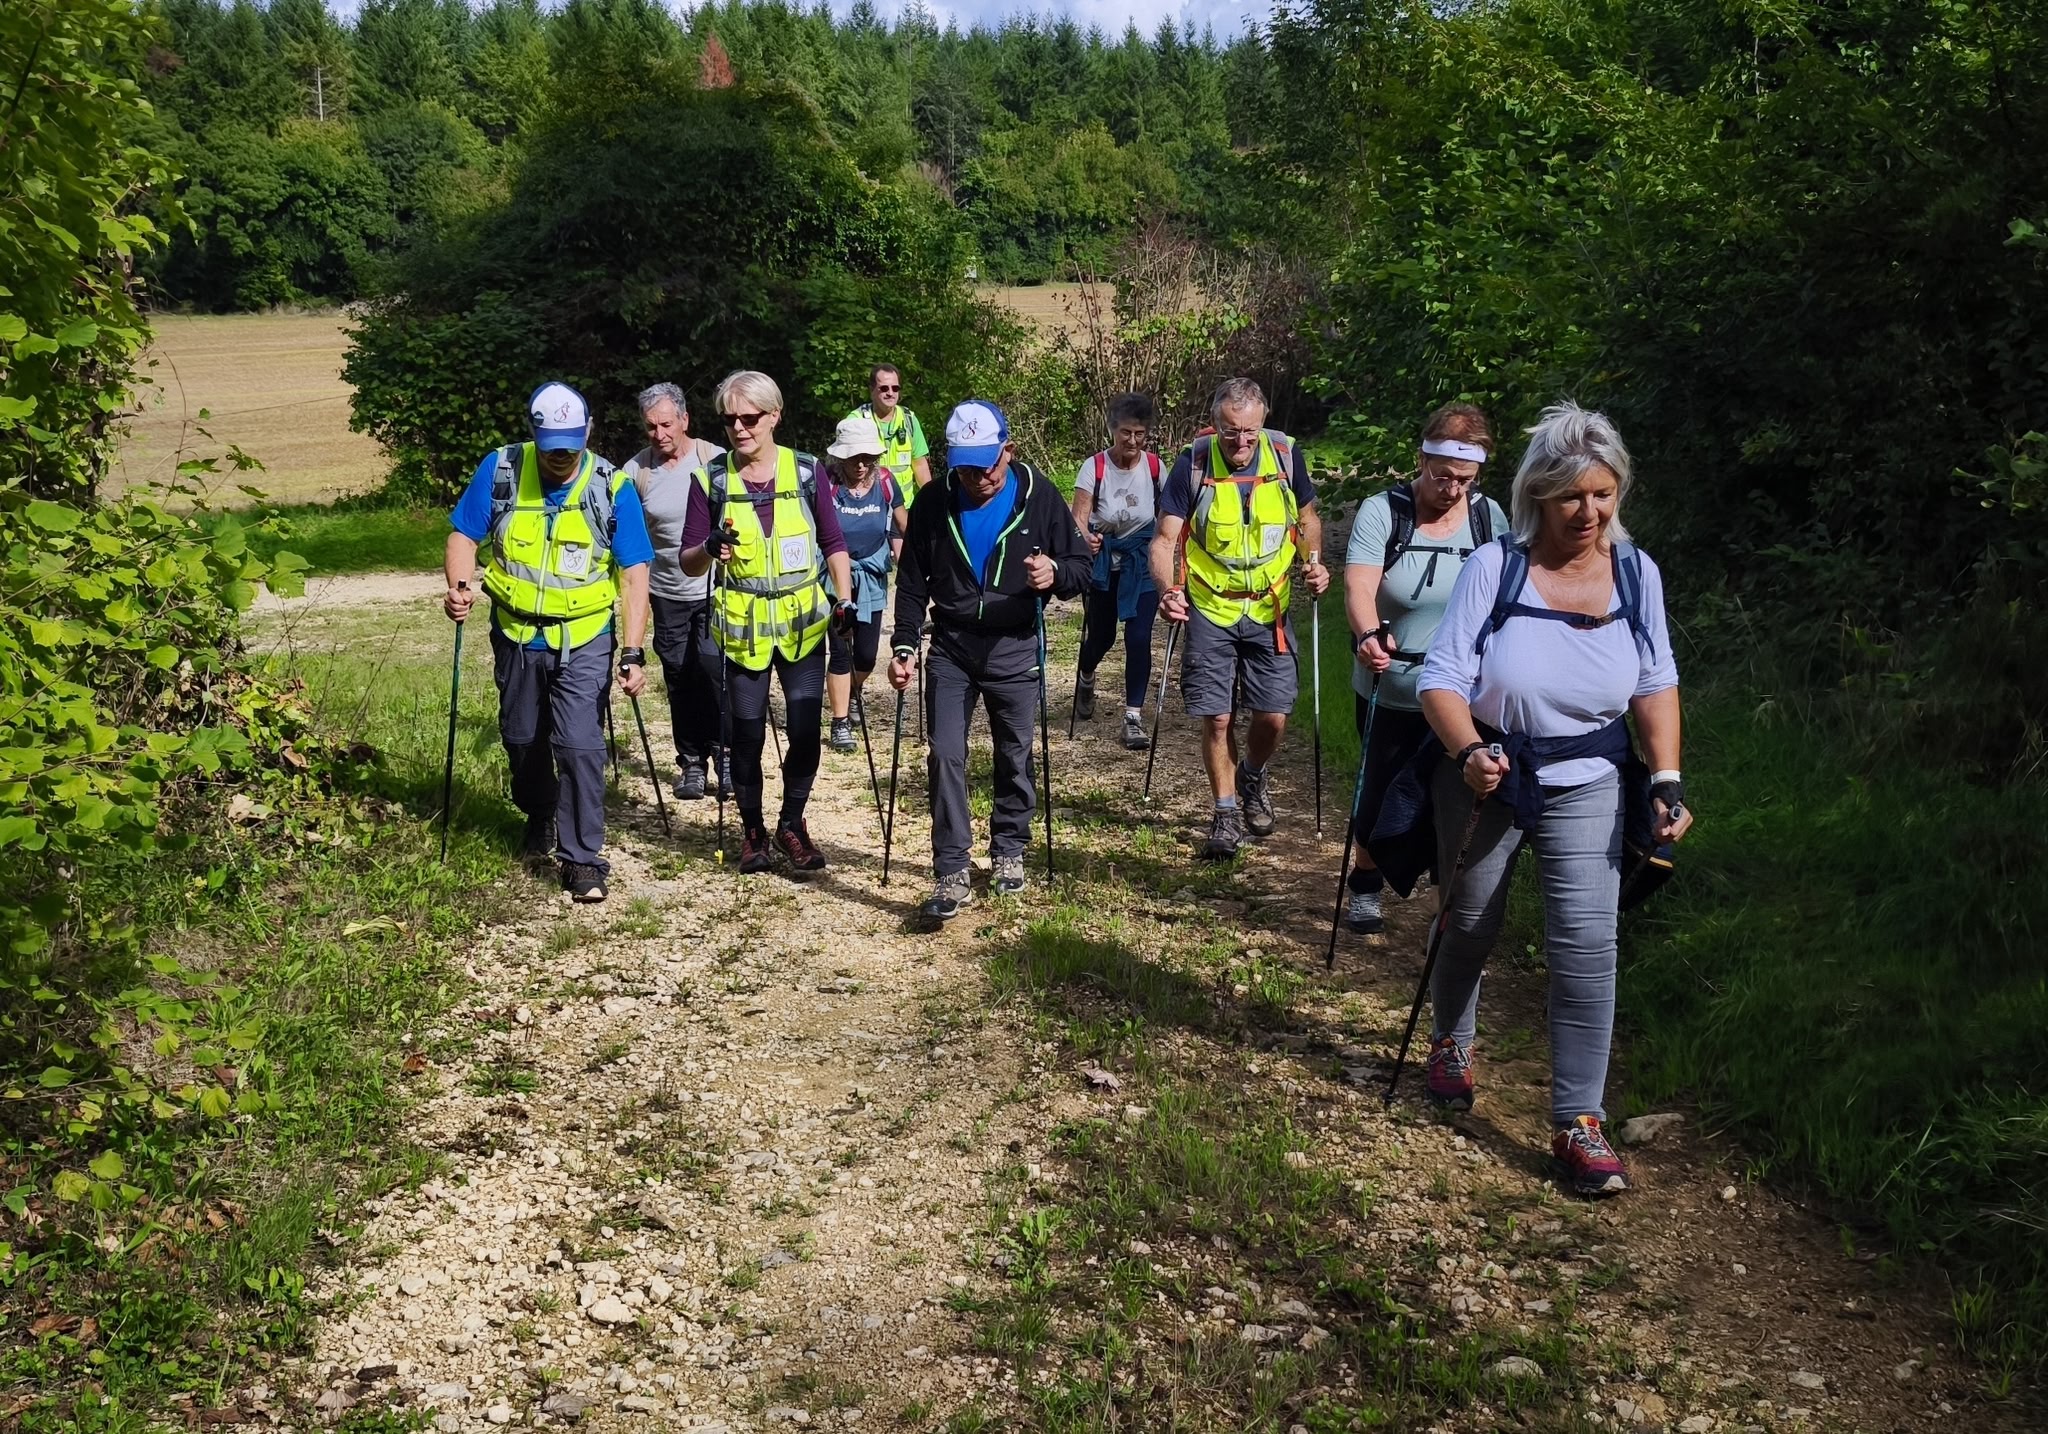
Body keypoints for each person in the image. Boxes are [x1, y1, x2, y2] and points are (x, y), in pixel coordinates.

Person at [1414, 400, 1692, 1197]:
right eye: (1572, 495)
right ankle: (1452, 1039)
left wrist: (1665, 777)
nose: (1589, 511)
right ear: (1538, 493)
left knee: (1586, 946)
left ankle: (1579, 1121)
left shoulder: (1636, 573)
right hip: (1492, 770)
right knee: (1471, 920)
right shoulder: (1495, 567)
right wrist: (1469, 751)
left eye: (1603, 494)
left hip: (1592, 776)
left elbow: (1655, 680)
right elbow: (1442, 678)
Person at [442, 381, 653, 904]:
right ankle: (540, 812)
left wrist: (632, 651)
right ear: (533, 434)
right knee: (521, 738)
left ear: (588, 432)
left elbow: (634, 574)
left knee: (579, 744)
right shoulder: (502, 470)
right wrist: (459, 586)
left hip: (584, 637)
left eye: (570, 446)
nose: (560, 457)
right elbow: (464, 535)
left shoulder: (612, 487)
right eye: (551, 446)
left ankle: (583, 858)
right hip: (516, 634)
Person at [888, 400, 1091, 920]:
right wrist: (904, 645)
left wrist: (1054, 574)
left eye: (985, 466)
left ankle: (1009, 849)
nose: (977, 479)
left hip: (1015, 645)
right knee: (945, 753)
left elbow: (1080, 568)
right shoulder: (933, 501)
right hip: (951, 646)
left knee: (1014, 752)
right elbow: (911, 583)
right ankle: (952, 867)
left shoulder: (1038, 495)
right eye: (965, 469)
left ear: (1008, 451)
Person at [1339, 403, 1509, 934]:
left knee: (1452, 802)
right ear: (1422, 460)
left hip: (1462, 695)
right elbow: (1360, 584)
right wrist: (1368, 634)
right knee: (1379, 792)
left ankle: (1445, 913)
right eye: (1443, 476)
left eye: (1466, 479)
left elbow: (1505, 598)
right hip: (1392, 684)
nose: (1453, 489)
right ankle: (1366, 883)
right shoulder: (1383, 512)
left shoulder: (1489, 518)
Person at [678, 371, 856, 875]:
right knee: (747, 736)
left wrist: (844, 600)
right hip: (744, 631)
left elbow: (833, 543)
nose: (739, 427)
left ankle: (792, 824)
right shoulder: (711, 480)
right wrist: (708, 547)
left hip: (803, 628)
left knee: (804, 730)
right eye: (729, 419)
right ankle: (753, 831)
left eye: (750, 418)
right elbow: (688, 561)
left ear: (774, 416)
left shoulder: (806, 472)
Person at [1150, 377, 1329, 860]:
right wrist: (1168, 590)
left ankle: (1252, 773)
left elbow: (1308, 519)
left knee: (1273, 716)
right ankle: (1225, 813)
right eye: (1231, 431)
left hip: (1270, 607)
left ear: (1263, 423)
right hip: (1211, 607)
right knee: (1217, 716)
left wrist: (1314, 563)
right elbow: (1164, 540)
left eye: (1250, 431)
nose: (1241, 442)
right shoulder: (1193, 463)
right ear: (1215, 425)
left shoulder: (1285, 457)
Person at [623, 382, 727, 800]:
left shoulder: (714, 460)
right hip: (666, 592)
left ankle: (725, 754)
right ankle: (692, 762)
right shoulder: (636, 473)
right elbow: (626, 535)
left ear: (685, 420)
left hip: (715, 590)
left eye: (667, 424)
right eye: (651, 426)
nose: (659, 434)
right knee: (680, 678)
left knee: (715, 672)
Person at [1070, 392, 1162, 751]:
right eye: (1126, 432)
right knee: (1102, 637)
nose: (1133, 441)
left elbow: (1169, 514)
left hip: (1142, 563)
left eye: (1140, 433)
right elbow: (1078, 519)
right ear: (1112, 430)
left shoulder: (1155, 468)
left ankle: (1133, 717)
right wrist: (1086, 540)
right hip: (1104, 565)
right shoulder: (1094, 467)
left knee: (1138, 638)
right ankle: (1086, 674)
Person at [824, 415, 909, 752]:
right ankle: (840, 721)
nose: (860, 465)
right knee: (840, 650)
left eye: (867, 457)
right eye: (853, 457)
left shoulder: (885, 482)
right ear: (840, 456)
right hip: (834, 577)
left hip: (872, 574)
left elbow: (902, 526)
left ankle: (851, 691)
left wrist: (915, 566)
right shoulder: (827, 482)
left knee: (866, 655)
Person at [847, 364, 932, 489]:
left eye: (895, 388)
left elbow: (920, 465)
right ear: (872, 390)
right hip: (870, 501)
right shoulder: (856, 421)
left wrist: (930, 497)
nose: (890, 393)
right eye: (884, 388)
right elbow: (844, 467)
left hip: (905, 501)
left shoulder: (909, 419)